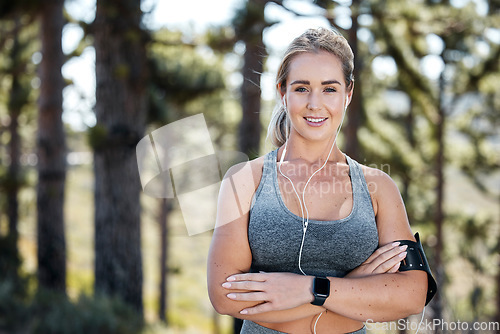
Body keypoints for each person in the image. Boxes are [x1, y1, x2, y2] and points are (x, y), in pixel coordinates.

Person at [207, 27, 430, 334]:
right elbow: (226, 296)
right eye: (301, 88)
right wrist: (352, 288)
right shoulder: (245, 180)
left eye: (329, 89)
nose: (315, 103)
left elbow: (414, 294)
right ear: (282, 91)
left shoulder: (379, 188)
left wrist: (312, 289)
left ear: (348, 94)